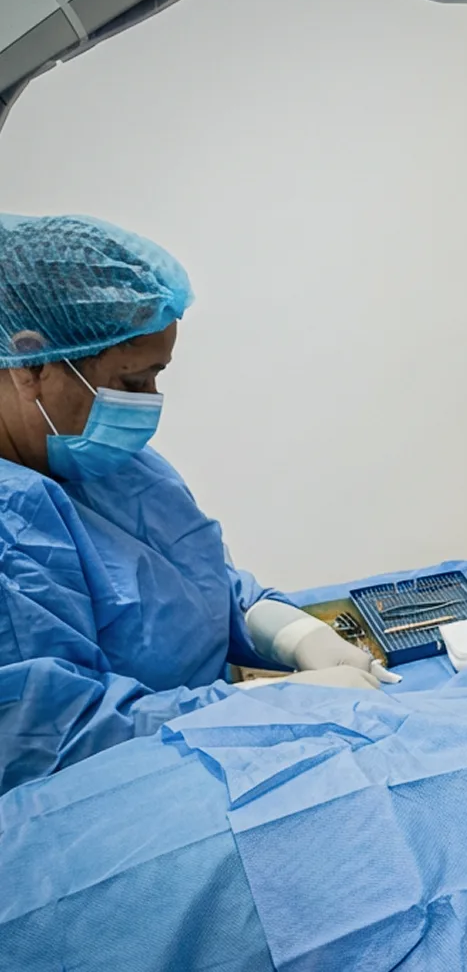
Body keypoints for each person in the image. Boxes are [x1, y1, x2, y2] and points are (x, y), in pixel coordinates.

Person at [0, 214, 391, 796]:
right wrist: (265, 704)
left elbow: (200, 584)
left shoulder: (110, 463)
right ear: (30, 363)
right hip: (123, 808)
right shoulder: (14, 527)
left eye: (158, 376)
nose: (148, 404)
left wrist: (291, 634)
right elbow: (57, 741)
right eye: (131, 383)